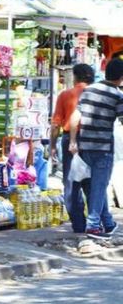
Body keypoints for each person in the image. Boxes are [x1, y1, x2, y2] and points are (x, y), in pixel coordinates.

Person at [69, 55, 123, 240]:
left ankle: (107, 222)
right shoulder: (117, 95)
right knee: (99, 186)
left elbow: (76, 116)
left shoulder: (89, 90)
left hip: (84, 146)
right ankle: (93, 226)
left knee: (95, 186)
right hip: (103, 149)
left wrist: (73, 141)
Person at [50, 63, 94, 233]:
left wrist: (52, 146)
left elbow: (55, 125)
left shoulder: (66, 95)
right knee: (91, 182)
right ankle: (95, 221)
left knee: (71, 183)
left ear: (75, 76)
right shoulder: (95, 94)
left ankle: (78, 224)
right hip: (93, 141)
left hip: (71, 141)